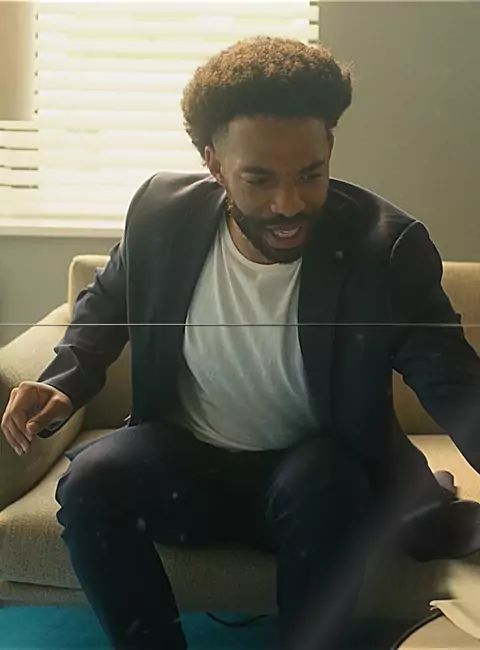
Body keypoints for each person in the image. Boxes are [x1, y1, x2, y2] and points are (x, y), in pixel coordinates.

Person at [2, 36, 480, 650]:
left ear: (330, 148)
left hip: (316, 475)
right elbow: (107, 303)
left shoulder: (385, 248)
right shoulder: (160, 214)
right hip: (186, 460)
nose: (289, 204)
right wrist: (66, 383)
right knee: (91, 480)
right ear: (214, 163)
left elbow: (452, 380)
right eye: (259, 179)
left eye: (310, 175)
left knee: (325, 481)